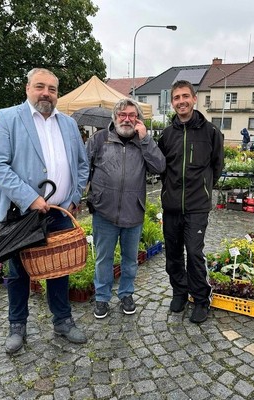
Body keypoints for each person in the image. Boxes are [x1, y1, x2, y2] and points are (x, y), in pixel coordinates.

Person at [0, 68, 89, 354]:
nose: (46, 93)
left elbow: (82, 165)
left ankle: (63, 321)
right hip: (22, 212)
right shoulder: (7, 117)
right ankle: (17, 325)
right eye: (40, 87)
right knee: (18, 271)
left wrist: (73, 198)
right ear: (27, 88)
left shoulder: (68, 124)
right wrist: (30, 198)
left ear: (57, 93)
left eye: (52, 89)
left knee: (60, 267)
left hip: (60, 211)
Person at [86, 99, 165, 319]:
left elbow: (159, 166)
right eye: (122, 114)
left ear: (138, 119)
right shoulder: (99, 139)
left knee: (130, 259)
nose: (127, 119)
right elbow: (83, 168)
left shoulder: (143, 142)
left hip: (133, 211)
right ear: (115, 117)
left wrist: (146, 138)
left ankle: (126, 294)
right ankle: (102, 298)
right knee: (104, 258)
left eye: (132, 115)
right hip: (104, 211)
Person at [158, 80, 224, 324]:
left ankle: (201, 298)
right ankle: (179, 292)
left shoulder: (211, 132)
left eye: (185, 96)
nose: (181, 101)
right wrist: (169, 192)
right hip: (172, 206)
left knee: (194, 253)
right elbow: (162, 168)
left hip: (197, 206)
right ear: (172, 102)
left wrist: (205, 189)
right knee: (173, 254)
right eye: (176, 97)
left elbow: (217, 166)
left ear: (194, 99)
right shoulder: (167, 134)